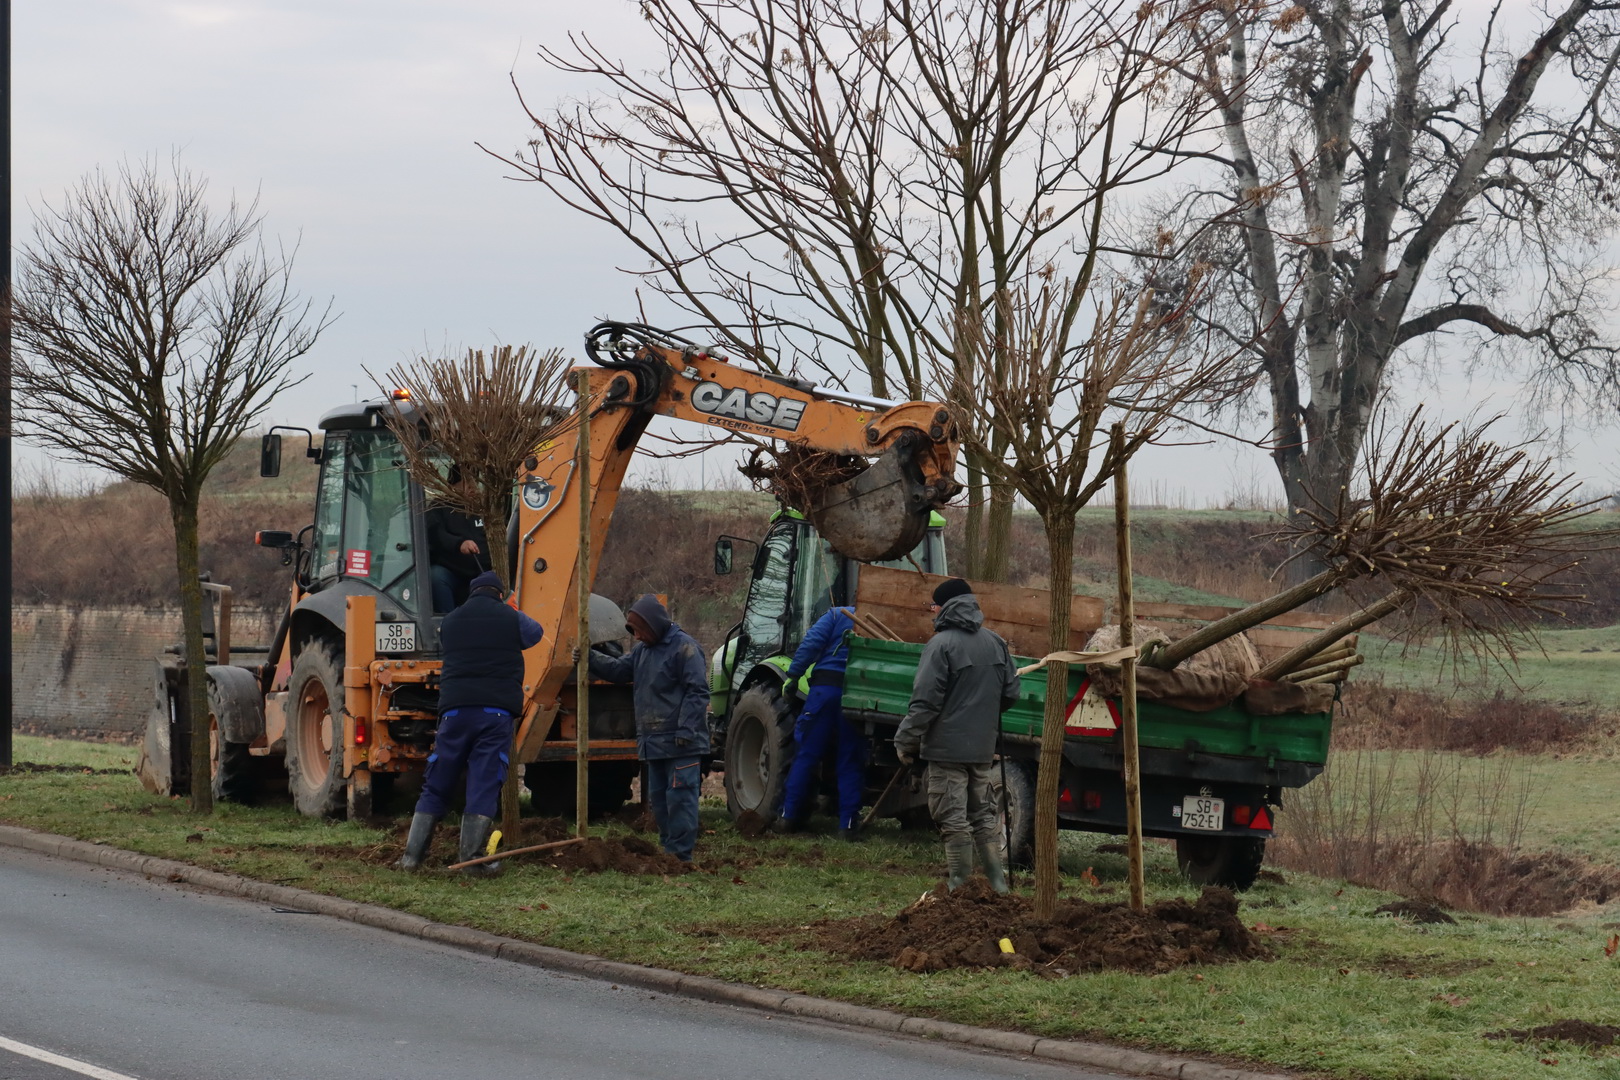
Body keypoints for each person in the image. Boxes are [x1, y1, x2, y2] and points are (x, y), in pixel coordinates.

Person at [396, 570, 543, 876]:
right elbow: (536, 634)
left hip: (454, 712)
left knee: (437, 781)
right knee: (483, 781)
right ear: (499, 594)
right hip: (494, 714)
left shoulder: (451, 621)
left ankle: (411, 859)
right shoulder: (510, 616)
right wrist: (513, 609)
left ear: (471, 592)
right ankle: (472, 860)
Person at [892, 577, 1020, 893]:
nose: (931, 612)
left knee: (952, 817)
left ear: (944, 607)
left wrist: (905, 740)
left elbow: (924, 703)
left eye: (933, 606)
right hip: (980, 749)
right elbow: (1012, 692)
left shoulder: (940, 645)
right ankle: (998, 884)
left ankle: (959, 885)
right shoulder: (996, 643)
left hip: (946, 750)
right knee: (982, 815)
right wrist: (982, 716)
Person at [589, 595, 711, 862]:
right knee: (661, 802)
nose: (638, 637)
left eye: (640, 631)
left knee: (680, 799)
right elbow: (619, 670)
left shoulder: (685, 649)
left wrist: (686, 730)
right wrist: (587, 657)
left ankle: (680, 856)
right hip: (655, 743)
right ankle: (669, 851)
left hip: (682, 743)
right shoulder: (643, 652)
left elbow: (697, 692)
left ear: (653, 625)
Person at [773, 605, 866, 839]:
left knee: (807, 755)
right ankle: (847, 826)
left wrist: (793, 675)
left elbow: (810, 645)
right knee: (850, 760)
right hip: (858, 695)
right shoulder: (881, 619)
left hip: (824, 692)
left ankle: (788, 817)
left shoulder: (837, 614)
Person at [425, 465, 490, 613]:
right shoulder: (438, 506)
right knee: (436, 577)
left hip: (482, 571)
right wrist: (459, 544)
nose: (473, 487)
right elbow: (435, 534)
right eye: (467, 482)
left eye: (476, 482)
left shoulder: (484, 509)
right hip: (452, 570)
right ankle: (448, 621)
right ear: (453, 485)